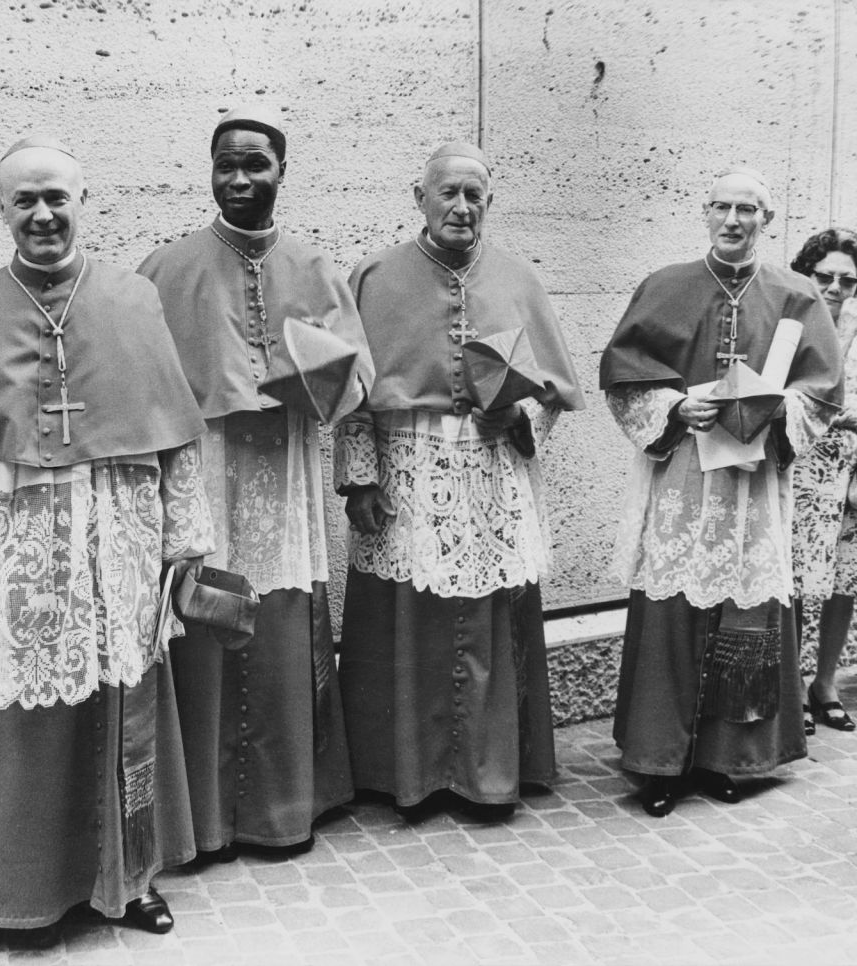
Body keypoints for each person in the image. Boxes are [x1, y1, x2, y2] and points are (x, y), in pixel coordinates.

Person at [0, 134, 213, 947]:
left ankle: (130, 882)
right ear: (1, 209)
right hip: (16, 542)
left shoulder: (130, 299)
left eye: (57, 198)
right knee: (19, 718)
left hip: (119, 531)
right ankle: (16, 893)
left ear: (82, 201)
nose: (43, 214)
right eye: (25, 200)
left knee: (124, 708)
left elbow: (177, 437)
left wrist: (184, 541)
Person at [138, 105, 374, 858]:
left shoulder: (314, 267)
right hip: (204, 467)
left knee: (278, 622)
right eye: (226, 164)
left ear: (282, 171)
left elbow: (359, 378)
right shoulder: (165, 268)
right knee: (204, 616)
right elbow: (139, 383)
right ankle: (204, 818)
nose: (239, 178)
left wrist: (325, 377)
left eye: (255, 164)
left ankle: (280, 807)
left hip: (286, 466)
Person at [335, 143, 584, 820]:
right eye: (448, 192)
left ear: (489, 204)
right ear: (419, 197)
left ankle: (488, 771)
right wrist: (360, 480)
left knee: (488, 619)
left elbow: (556, 390)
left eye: (475, 195)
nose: (462, 207)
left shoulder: (517, 277)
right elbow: (353, 393)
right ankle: (405, 775)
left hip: (491, 467)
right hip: (407, 467)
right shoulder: (375, 274)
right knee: (404, 619)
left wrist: (519, 415)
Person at [600, 167, 843, 818]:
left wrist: (780, 409)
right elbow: (625, 376)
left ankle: (727, 758)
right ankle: (659, 763)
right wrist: (678, 406)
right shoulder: (666, 286)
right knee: (673, 609)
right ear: (704, 213)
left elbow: (822, 387)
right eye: (722, 207)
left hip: (754, 478)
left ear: (766, 221)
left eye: (747, 210)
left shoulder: (795, 295)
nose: (733, 220)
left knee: (745, 612)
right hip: (685, 470)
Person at [790, 228, 857, 733]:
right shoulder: (791, 326)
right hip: (804, 466)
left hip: (854, 472)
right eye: (825, 276)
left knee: (844, 581)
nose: (835, 288)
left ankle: (825, 682)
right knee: (793, 578)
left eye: (848, 280)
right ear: (806, 274)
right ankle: (789, 683)